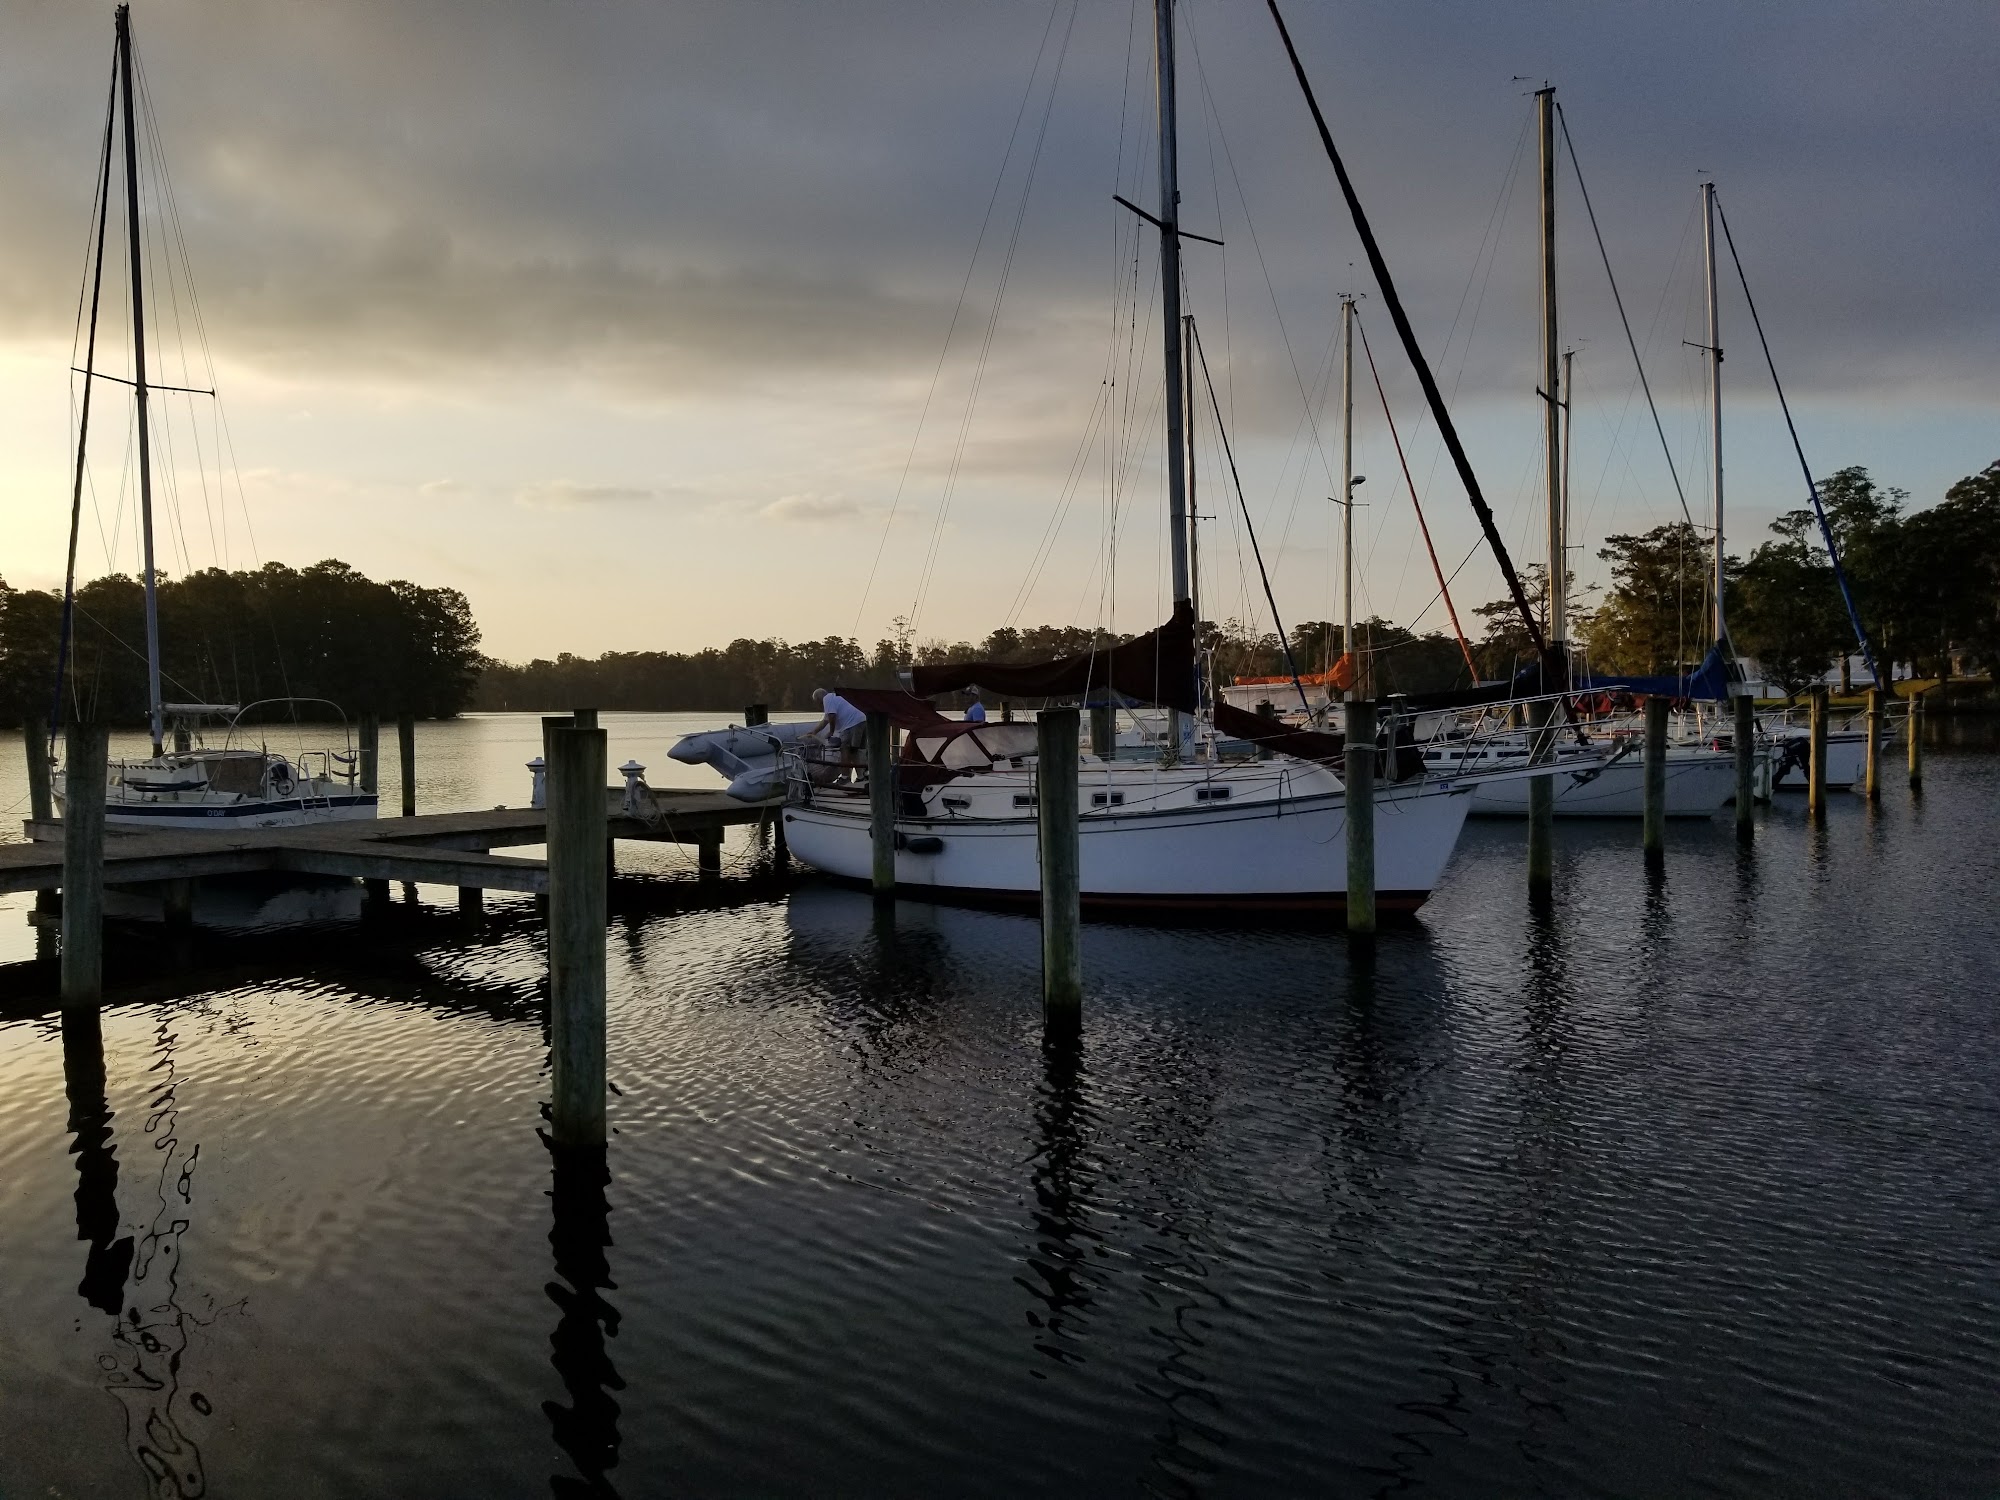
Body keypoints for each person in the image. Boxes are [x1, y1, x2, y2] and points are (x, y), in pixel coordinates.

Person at [807, 687, 868, 782]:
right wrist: (814, 731)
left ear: (819, 699)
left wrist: (831, 732)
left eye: (818, 703)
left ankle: (845, 777)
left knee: (845, 749)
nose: (819, 706)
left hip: (852, 724)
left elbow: (832, 716)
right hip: (862, 720)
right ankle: (861, 776)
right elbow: (826, 720)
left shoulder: (827, 699)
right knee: (856, 750)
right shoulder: (834, 698)